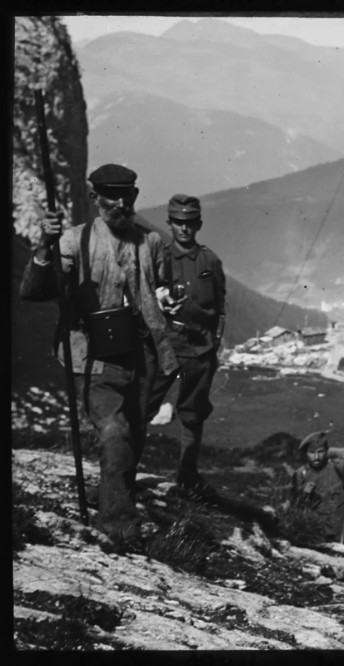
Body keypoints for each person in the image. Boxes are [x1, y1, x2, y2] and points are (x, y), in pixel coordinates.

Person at [20, 163, 178, 547]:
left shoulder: (151, 243)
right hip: (91, 355)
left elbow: (161, 290)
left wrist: (167, 302)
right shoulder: (74, 241)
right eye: (112, 196)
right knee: (114, 431)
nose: (121, 203)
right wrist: (45, 247)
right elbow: (34, 291)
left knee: (134, 436)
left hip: (141, 354)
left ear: (136, 197)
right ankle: (120, 525)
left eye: (127, 196)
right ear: (95, 198)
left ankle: (109, 492)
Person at [148, 194, 226, 497]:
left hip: (200, 347)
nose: (184, 228)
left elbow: (220, 308)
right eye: (178, 222)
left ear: (198, 224)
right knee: (145, 403)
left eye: (190, 223)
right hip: (167, 341)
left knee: (193, 412)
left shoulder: (210, 260)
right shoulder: (160, 258)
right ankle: (126, 470)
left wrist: (214, 345)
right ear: (170, 223)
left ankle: (187, 473)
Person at [289, 430, 344, 542]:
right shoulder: (300, 474)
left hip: (340, 533)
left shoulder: (337, 468)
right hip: (316, 533)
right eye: (312, 453)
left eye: (320, 452)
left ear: (326, 451)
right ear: (306, 454)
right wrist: (304, 493)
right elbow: (294, 507)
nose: (316, 457)